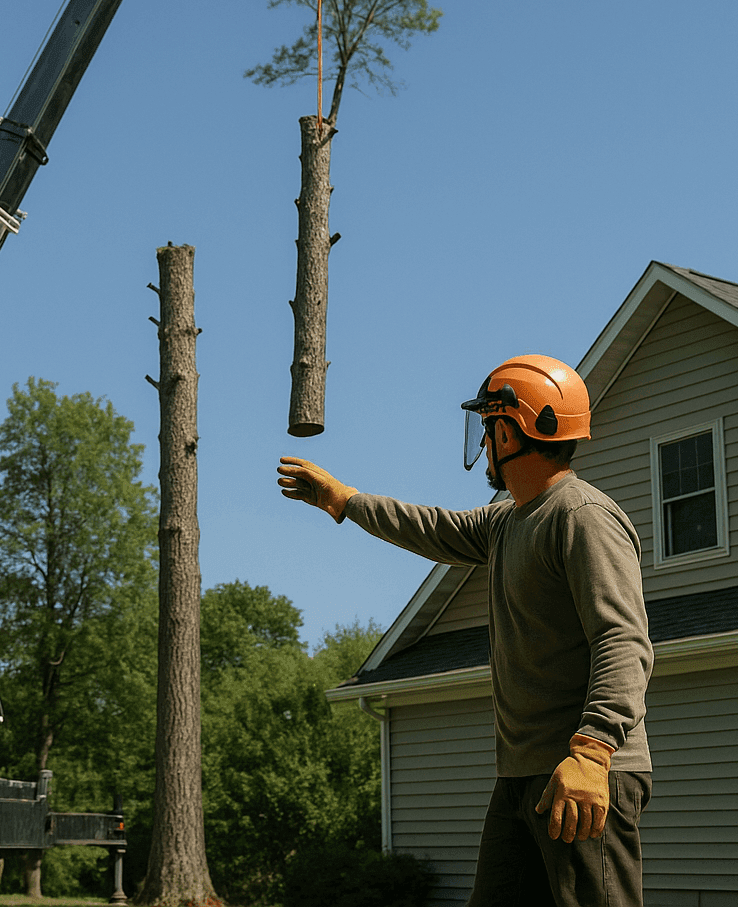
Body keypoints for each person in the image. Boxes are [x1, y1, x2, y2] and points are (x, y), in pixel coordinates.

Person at [278, 354, 653, 907]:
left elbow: (623, 640)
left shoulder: (580, 517)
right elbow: (432, 528)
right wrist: (344, 500)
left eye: (488, 426)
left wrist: (593, 753)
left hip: (582, 773)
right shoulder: (508, 520)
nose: (483, 441)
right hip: (523, 776)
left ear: (513, 429)